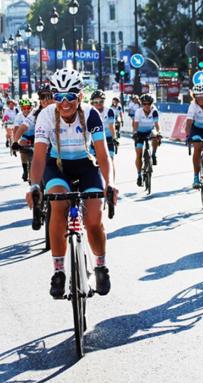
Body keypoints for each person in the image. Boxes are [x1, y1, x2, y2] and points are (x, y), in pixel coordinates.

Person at [25, 68, 118, 298]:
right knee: (58, 206)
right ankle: (58, 272)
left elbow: (104, 156)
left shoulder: (91, 115)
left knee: (94, 219)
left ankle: (100, 266)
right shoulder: (46, 116)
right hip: (57, 166)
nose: (64, 102)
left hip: (86, 165)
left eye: (70, 96)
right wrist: (34, 186)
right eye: (58, 96)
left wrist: (110, 183)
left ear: (80, 96)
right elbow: (38, 158)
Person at [132, 94, 161, 187]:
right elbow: (135, 124)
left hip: (150, 131)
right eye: (144, 104)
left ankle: (153, 154)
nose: (147, 105)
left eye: (149, 104)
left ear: (151, 104)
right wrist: (135, 133)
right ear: (141, 104)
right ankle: (139, 175)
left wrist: (159, 132)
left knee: (155, 136)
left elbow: (157, 124)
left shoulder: (154, 111)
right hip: (140, 132)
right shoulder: (138, 112)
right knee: (139, 154)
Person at [12, 99, 35, 182]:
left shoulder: (35, 114)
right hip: (25, 136)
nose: (26, 110)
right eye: (23, 108)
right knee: (22, 144)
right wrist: (14, 142)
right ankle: (25, 170)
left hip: (35, 135)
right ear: (21, 109)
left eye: (28, 108)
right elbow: (16, 130)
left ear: (31, 108)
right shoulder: (18, 116)